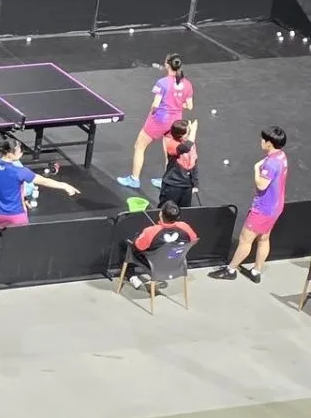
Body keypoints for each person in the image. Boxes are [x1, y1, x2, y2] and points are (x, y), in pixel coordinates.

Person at [211, 126, 288, 282]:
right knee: (264, 238)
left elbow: (261, 185)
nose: (261, 141)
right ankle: (256, 271)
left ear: (269, 143)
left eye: (263, 139)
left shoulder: (271, 164)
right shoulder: (281, 156)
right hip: (276, 207)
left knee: (245, 240)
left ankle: (231, 270)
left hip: (263, 209)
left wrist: (256, 169)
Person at [118, 55, 195, 189]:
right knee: (170, 153)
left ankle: (134, 179)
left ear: (167, 65)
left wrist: (153, 112)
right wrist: (176, 105)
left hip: (160, 119)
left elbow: (155, 104)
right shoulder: (188, 84)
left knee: (139, 146)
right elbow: (189, 106)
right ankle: (166, 181)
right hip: (175, 121)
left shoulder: (162, 83)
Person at [0, 139, 81, 227]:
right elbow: (44, 181)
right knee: (21, 240)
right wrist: (64, 185)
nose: (22, 153)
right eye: (20, 151)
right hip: (16, 215)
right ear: (10, 153)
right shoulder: (20, 171)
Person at [124, 202, 199, 290]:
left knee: (128, 246)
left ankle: (131, 276)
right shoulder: (185, 227)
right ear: (178, 217)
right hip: (177, 263)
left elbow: (138, 246)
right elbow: (194, 240)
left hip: (155, 265)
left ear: (160, 214)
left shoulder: (150, 231)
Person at [158, 120, 200, 208]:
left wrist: (194, 183)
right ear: (179, 135)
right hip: (173, 184)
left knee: (184, 210)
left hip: (187, 185)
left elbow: (193, 163)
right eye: (187, 133)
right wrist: (194, 131)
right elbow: (185, 148)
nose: (189, 135)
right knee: (167, 209)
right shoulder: (172, 145)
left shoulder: (190, 144)